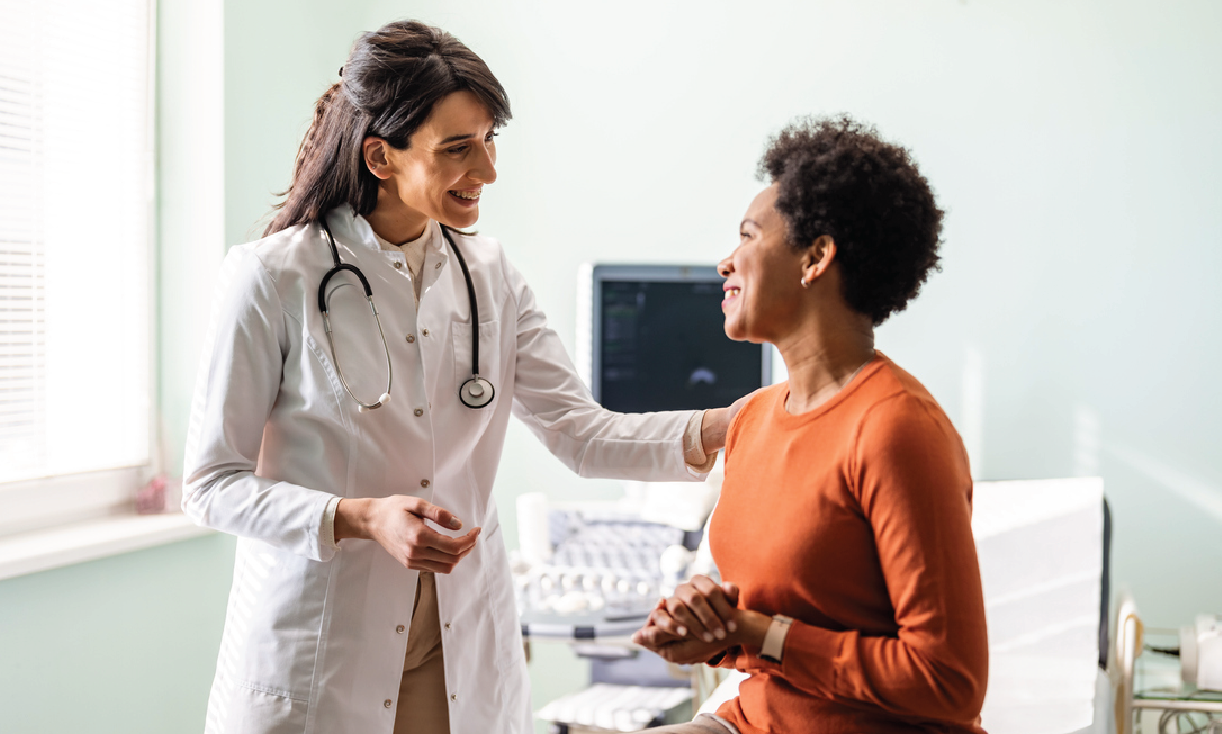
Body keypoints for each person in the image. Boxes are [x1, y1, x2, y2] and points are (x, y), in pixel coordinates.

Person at [182, 20, 737, 734]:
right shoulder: (272, 276)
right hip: (323, 653)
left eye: (489, 140)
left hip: (459, 651)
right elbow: (211, 485)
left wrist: (747, 421)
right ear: (381, 156)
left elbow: (582, 434)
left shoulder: (490, 275)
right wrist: (358, 517)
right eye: (457, 149)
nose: (488, 170)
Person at [632, 116, 989, 733]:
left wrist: (758, 634)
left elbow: (948, 680)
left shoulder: (896, 430)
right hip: (758, 721)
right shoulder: (753, 419)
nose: (725, 262)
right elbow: (779, 612)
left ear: (816, 257)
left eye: (747, 236)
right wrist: (711, 629)